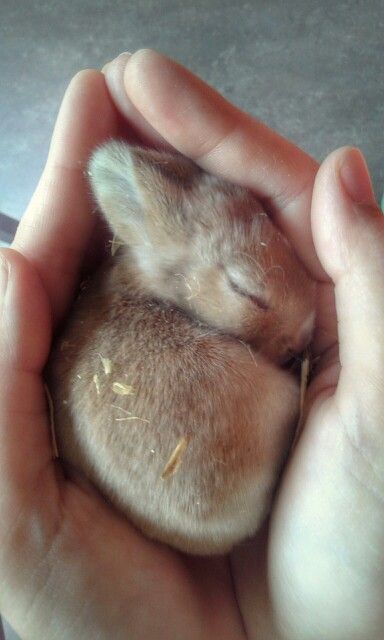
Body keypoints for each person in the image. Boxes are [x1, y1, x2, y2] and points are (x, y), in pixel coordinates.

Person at [0, 50, 383, 640]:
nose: (304, 327)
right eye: (247, 293)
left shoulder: (123, 295)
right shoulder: (151, 283)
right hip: (214, 479)